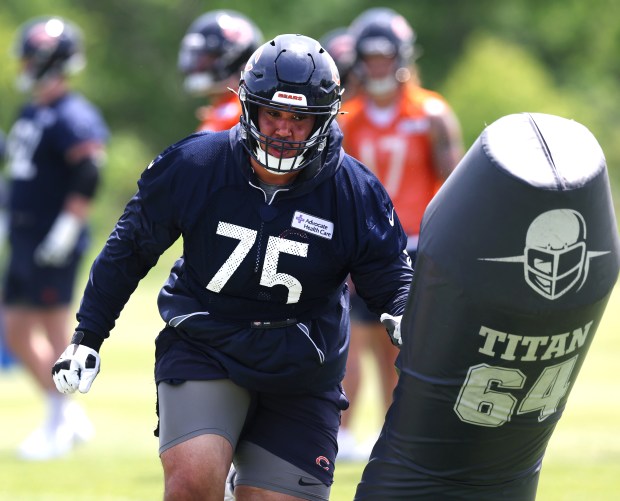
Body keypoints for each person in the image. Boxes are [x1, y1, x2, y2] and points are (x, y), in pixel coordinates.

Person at [51, 33, 413, 501]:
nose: (283, 129)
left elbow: (389, 279)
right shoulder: (197, 163)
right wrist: (88, 334)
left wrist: (407, 312)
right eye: (273, 114)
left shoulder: (353, 191)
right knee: (193, 483)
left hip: (302, 364)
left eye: (299, 119)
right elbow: (131, 247)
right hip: (208, 340)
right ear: (248, 107)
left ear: (323, 120)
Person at [354, 113, 620, 500]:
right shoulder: (594, 273)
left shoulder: (465, 266)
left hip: (415, 471)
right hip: (511, 479)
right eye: (545, 260)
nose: (555, 272)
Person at [336, 7, 464, 460]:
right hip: (364, 244)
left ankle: (398, 439)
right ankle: (346, 434)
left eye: (383, 57)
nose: (375, 67)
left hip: (413, 245)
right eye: (367, 58)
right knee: (348, 342)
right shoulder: (346, 115)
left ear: (402, 57)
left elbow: (455, 188)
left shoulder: (430, 113)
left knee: (399, 352)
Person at [2, 16, 108, 460]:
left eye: (31, 56)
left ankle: (58, 418)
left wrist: (68, 226)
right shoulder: (34, 110)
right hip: (27, 233)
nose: (25, 64)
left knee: (52, 329)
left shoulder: (71, 113)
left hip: (52, 237)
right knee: (16, 328)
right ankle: (61, 411)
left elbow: (88, 170)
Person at [178, 9, 263, 132]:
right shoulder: (226, 108)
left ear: (235, 59)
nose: (197, 66)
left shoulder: (235, 113)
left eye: (207, 58)